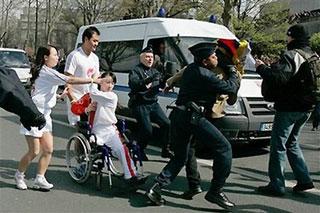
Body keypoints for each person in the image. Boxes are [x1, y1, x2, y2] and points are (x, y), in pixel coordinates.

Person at [145, 41, 240, 210]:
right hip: (193, 118)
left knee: (181, 156)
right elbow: (231, 88)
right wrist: (233, 71)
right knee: (224, 148)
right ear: (204, 61)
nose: (217, 58)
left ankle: (156, 188)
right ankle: (216, 191)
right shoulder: (206, 75)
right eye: (213, 56)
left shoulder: (191, 69)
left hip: (179, 116)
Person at [164, 39, 248, 200]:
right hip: (200, 113)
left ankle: (205, 186)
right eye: (214, 52)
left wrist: (171, 81)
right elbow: (187, 71)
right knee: (194, 149)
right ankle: (200, 186)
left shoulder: (230, 68)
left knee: (210, 148)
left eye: (218, 52)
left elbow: (231, 92)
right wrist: (171, 81)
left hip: (209, 113)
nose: (216, 55)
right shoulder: (210, 67)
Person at [15, 45, 101, 191]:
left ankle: (39, 179)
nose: (58, 58)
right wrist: (92, 81)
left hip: (45, 116)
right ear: (46, 58)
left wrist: (58, 96)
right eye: (55, 55)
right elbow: (70, 80)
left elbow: (42, 93)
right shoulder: (46, 72)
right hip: (33, 115)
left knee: (48, 149)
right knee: (34, 151)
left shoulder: (49, 73)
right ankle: (19, 175)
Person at [255, 24, 315, 196]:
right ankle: (304, 180)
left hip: (289, 107)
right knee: (292, 143)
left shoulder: (292, 55)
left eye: (288, 36)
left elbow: (278, 78)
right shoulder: (313, 55)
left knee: (278, 146)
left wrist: (261, 68)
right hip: (307, 108)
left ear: (292, 37)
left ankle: (277, 184)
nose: (286, 39)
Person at [66, 72, 148, 185]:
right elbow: (75, 108)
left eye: (112, 83)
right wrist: (86, 109)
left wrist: (93, 81)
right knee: (94, 148)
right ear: (101, 83)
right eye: (107, 82)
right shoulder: (89, 96)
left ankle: (131, 176)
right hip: (96, 131)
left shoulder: (111, 96)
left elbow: (94, 94)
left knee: (122, 149)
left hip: (110, 130)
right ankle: (83, 165)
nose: (110, 85)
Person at [128, 46, 173, 161]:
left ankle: (166, 149)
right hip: (140, 103)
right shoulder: (136, 70)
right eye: (147, 57)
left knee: (167, 124)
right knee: (147, 130)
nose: (150, 59)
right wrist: (148, 79)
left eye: (151, 57)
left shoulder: (155, 71)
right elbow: (135, 84)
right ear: (141, 58)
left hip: (153, 103)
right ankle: (139, 149)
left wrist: (165, 80)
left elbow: (160, 86)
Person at [64, 26, 100, 125]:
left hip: (89, 99)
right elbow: (67, 80)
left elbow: (95, 78)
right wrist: (72, 100)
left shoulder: (95, 58)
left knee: (90, 127)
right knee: (77, 126)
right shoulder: (74, 56)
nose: (96, 44)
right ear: (86, 39)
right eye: (94, 41)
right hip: (77, 98)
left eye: (97, 41)